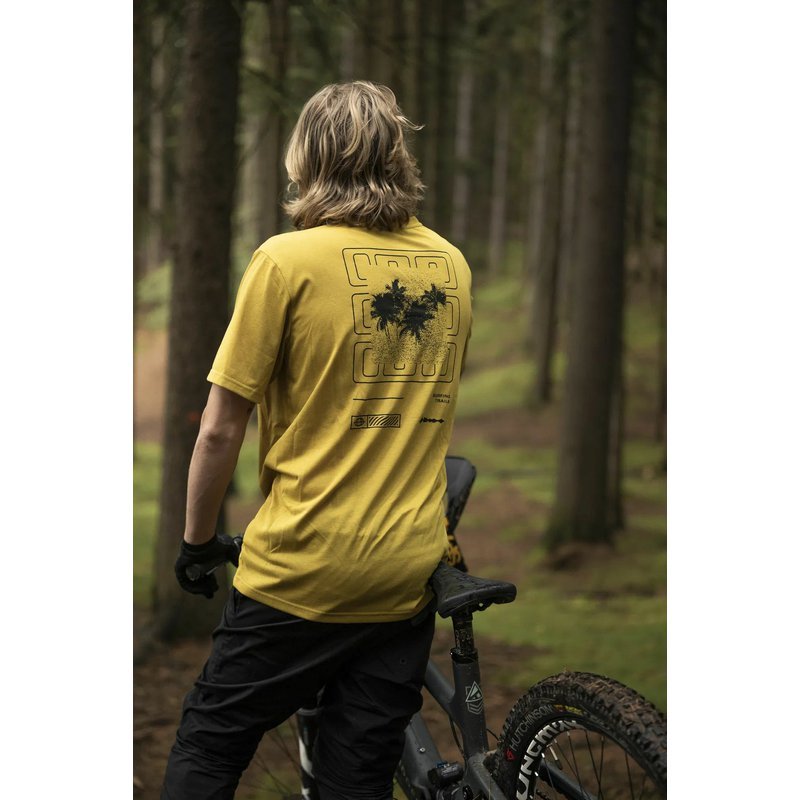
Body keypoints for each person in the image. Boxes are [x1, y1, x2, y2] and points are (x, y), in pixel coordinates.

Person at [161, 81, 473, 800]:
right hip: (405, 574)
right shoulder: (451, 265)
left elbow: (220, 428)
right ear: (395, 155)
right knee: (355, 780)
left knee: (210, 741)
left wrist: (197, 542)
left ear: (308, 159)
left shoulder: (285, 261)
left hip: (302, 567)